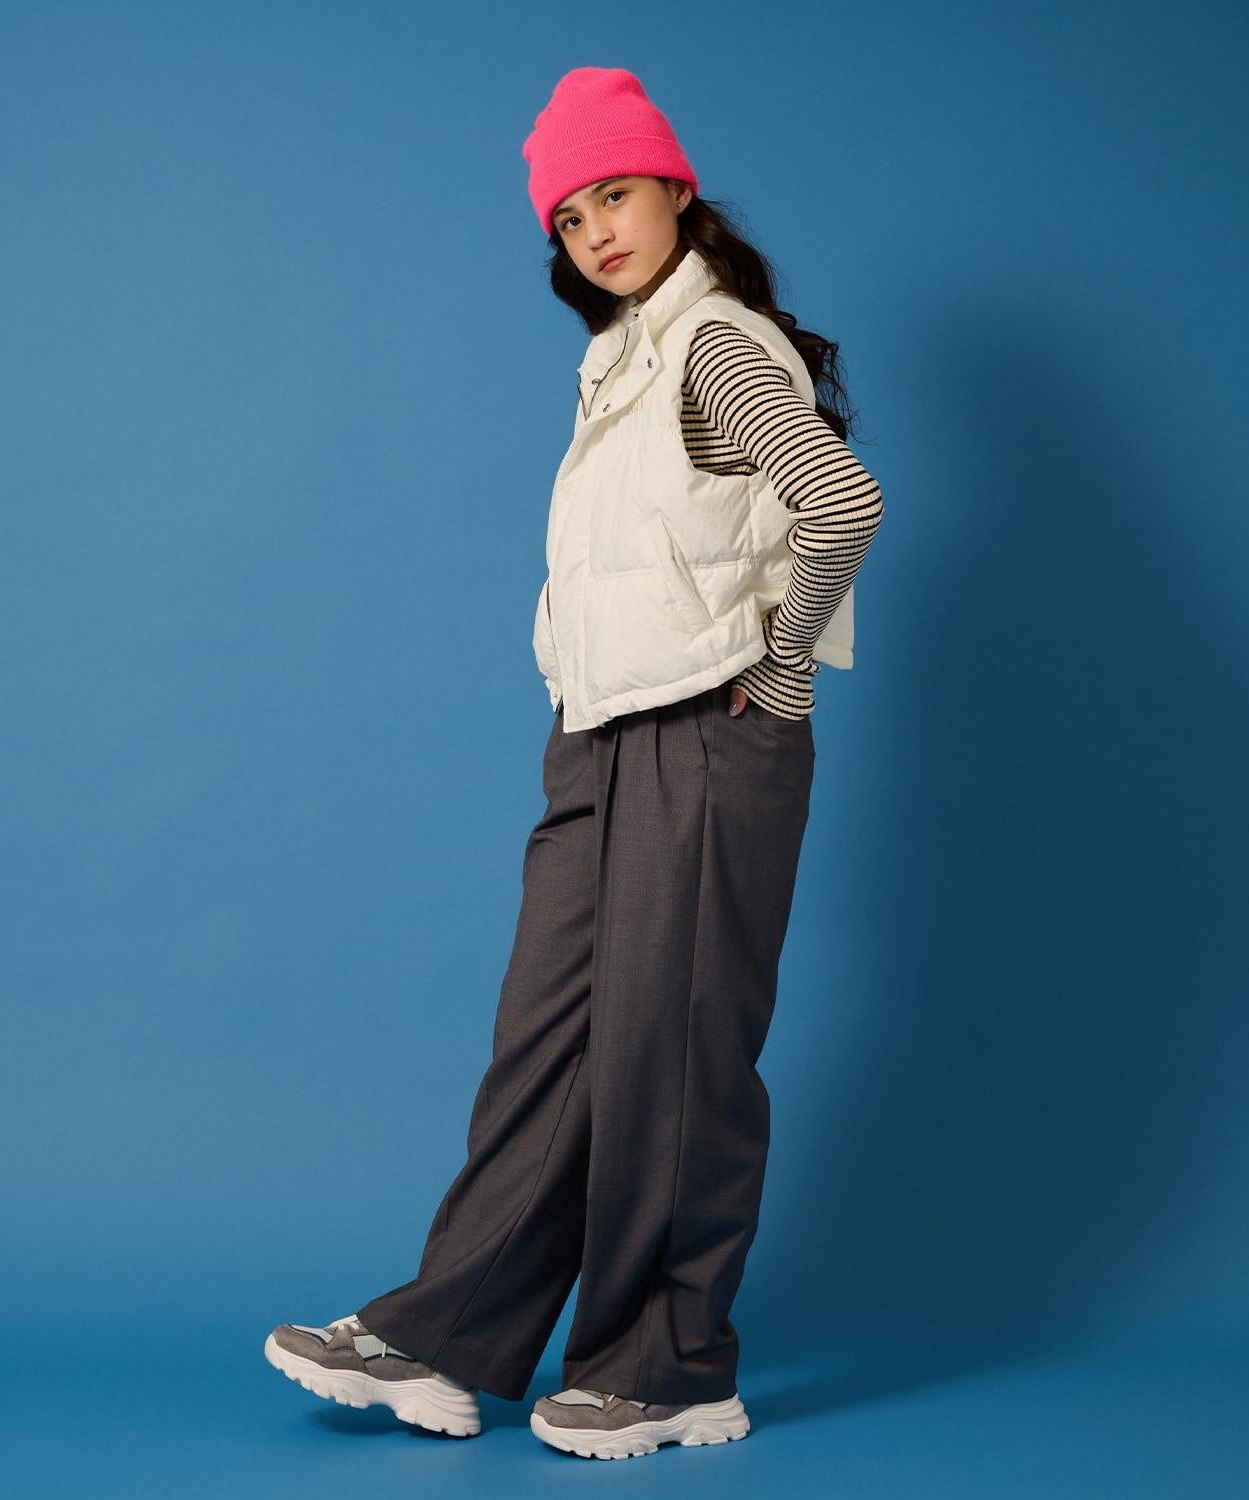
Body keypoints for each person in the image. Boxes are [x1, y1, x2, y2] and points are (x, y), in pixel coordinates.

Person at [264, 65, 884, 1462]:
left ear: (675, 190)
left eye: (614, 194)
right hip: (602, 733)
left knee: (675, 1053)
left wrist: (782, 665)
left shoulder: (716, 343)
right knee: (547, 1044)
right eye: (568, 215)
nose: (595, 230)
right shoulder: (622, 361)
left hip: (711, 733)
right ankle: (450, 1333)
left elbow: (839, 502)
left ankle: (671, 1370)